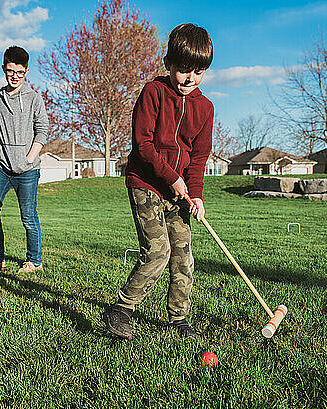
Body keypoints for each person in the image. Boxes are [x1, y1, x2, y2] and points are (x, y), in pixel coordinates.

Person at [103, 23, 214, 339]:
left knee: (182, 256)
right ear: (168, 64)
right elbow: (144, 144)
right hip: (147, 183)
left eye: (198, 72)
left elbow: (199, 157)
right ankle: (121, 310)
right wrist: (172, 178)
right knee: (157, 251)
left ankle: (178, 319)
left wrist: (196, 194)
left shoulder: (205, 108)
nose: (190, 79)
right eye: (183, 70)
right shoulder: (153, 92)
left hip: (179, 193)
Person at [0, 46, 49, 274]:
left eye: (19, 72)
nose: (15, 76)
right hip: (2, 166)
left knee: (28, 216)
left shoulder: (34, 99)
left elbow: (42, 131)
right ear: (3, 69)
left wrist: (29, 157)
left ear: (26, 71)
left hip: (27, 169)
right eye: (10, 71)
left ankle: (34, 261)